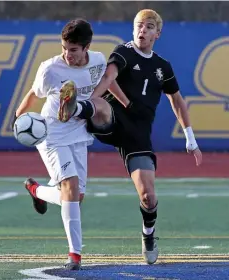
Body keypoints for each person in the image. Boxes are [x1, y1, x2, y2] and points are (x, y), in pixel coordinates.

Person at [57, 9, 203, 265]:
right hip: (113, 120)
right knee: (100, 106)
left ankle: (148, 235)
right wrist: (92, 98)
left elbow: (177, 100)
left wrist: (190, 137)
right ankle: (75, 108)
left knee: (148, 196)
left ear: (157, 33)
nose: (142, 31)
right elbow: (109, 77)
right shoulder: (123, 52)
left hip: (137, 135)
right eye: (138, 26)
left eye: (148, 27)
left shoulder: (162, 66)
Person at [13, 18, 107, 270]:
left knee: (76, 197)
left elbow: (106, 85)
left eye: (73, 49)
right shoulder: (50, 68)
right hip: (51, 134)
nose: (67, 54)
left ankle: (36, 191)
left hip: (78, 132)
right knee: (71, 186)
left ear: (87, 47)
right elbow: (35, 93)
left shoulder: (98, 61)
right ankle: (74, 255)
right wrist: (18, 117)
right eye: (64, 47)